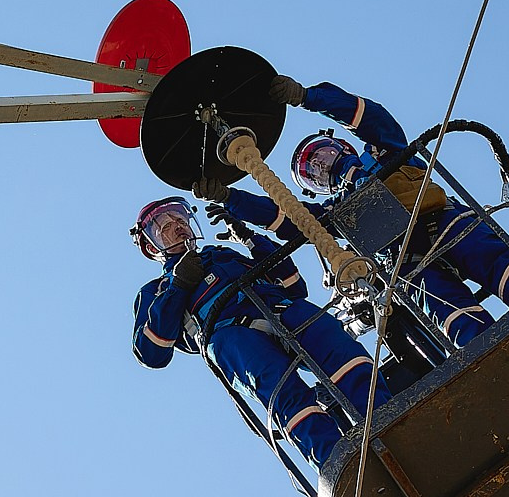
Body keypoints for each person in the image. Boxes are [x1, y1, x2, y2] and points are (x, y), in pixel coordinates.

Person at [204, 77, 509, 347]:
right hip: (405, 262)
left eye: (320, 153)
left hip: (445, 223)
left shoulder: (386, 150)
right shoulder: (339, 210)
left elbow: (368, 115)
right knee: (450, 313)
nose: (322, 164)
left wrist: (307, 97)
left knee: (502, 267)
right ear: (316, 185)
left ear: (341, 144)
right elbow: (292, 220)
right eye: (313, 170)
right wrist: (232, 198)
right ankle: (490, 353)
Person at [130, 196, 381, 470]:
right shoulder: (156, 291)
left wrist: (250, 239)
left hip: (280, 310)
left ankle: (384, 418)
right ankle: (341, 463)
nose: (177, 226)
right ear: (151, 247)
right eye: (164, 226)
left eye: (180, 219)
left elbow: (294, 287)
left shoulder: (223, 256)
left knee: (334, 343)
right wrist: (178, 286)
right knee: (283, 392)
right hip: (231, 336)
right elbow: (151, 352)